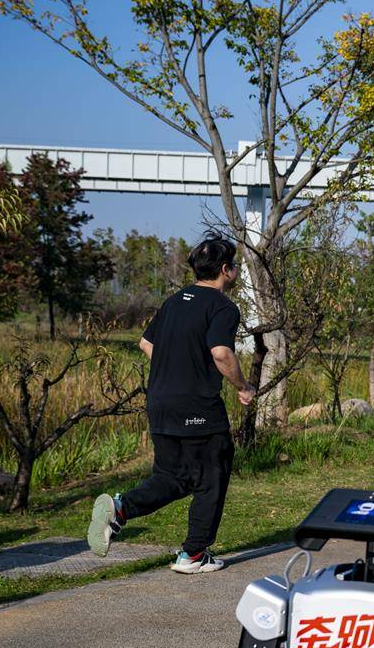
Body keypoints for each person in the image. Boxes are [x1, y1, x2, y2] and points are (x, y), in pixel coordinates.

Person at [87, 233, 255, 573]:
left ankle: (121, 508)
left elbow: (145, 343)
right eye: (234, 265)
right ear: (226, 270)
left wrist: (176, 369)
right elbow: (221, 352)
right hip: (198, 406)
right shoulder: (223, 307)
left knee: (174, 477)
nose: (235, 270)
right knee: (212, 474)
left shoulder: (174, 301)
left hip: (160, 402)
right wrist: (243, 386)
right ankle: (193, 554)